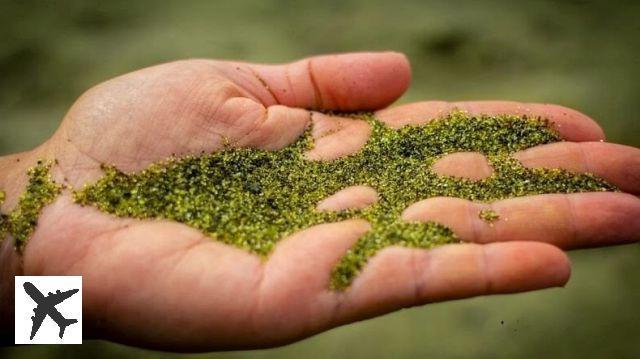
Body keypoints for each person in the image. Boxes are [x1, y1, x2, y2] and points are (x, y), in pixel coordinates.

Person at [0, 52, 638, 351]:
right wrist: (24, 267)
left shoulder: (52, 271)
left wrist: (22, 276)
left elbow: (39, 289)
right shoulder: (65, 254)